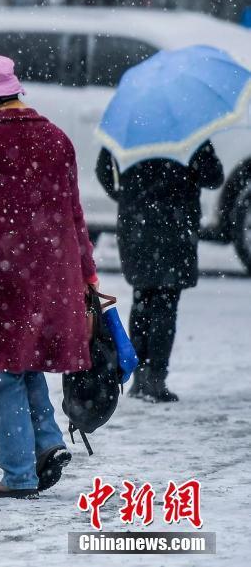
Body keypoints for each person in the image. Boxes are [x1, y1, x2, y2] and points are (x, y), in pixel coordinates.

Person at [0, 54, 99, 500]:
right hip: (50, 269)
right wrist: (87, 272)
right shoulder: (57, 138)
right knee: (23, 358)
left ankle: (18, 474)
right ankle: (47, 442)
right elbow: (74, 212)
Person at [96, 142, 223, 403]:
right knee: (166, 301)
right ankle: (155, 377)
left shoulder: (128, 131)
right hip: (176, 224)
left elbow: (103, 169)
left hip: (136, 223)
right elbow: (214, 178)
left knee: (142, 297)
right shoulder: (189, 133)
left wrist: (123, 194)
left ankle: (140, 376)